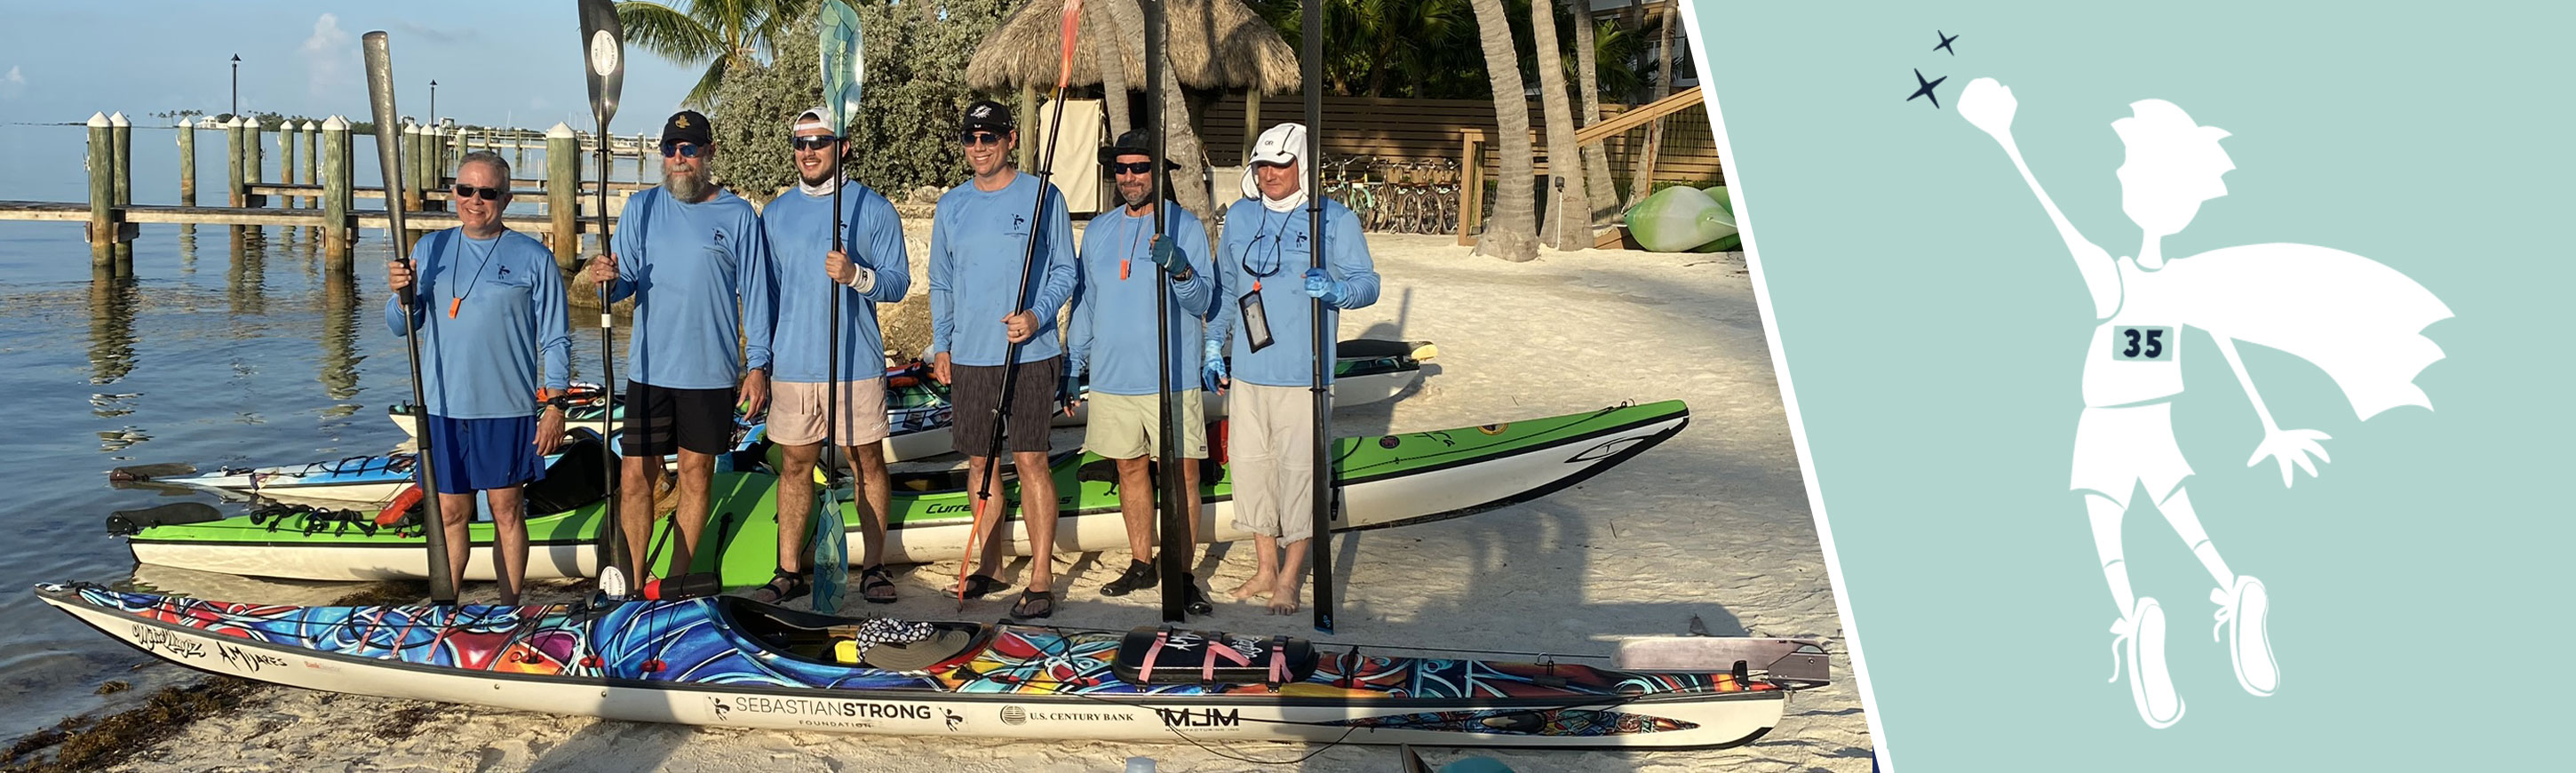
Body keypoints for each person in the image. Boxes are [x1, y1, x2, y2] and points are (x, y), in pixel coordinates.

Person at [1960, 77, 2446, 728]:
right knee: (2183, 517)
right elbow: (2229, 342)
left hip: (2107, 421)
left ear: (2135, 184)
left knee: (2108, 526)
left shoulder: (2114, 277)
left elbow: (2061, 224)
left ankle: (2138, 621)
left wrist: (2006, 139)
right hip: (2159, 417)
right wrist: (2270, 425)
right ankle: (2234, 585)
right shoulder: (2187, 284)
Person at [583, 109, 773, 592]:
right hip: (649, 371)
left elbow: (756, 295)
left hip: (710, 374)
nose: (679, 159)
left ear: (708, 153)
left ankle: (677, 580)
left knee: (695, 475)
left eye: (689, 149)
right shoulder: (641, 208)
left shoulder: (738, 215)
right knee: (635, 478)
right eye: (671, 149)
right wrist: (603, 279)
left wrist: (758, 366)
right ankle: (630, 577)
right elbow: (621, 286)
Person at [1203, 122, 1380, 615]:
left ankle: (1290, 576)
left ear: (1302, 163)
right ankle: (1263, 568)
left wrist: (1339, 291)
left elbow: (1369, 283)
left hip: (1305, 375)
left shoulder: (1334, 219)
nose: (1268, 174)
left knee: (1300, 473)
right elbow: (1225, 287)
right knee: (1252, 469)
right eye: (1261, 166)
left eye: (1279, 164)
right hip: (1249, 373)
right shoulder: (1239, 217)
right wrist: (1214, 344)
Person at [384, 150, 570, 605]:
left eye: (486, 192)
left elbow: (557, 337)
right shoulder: (431, 249)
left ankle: (509, 607)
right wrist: (400, 294)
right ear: (453, 194)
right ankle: (444, 608)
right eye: (466, 189)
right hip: (444, 407)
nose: (475, 200)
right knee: (450, 512)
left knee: (506, 510)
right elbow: (400, 324)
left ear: (504, 199)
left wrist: (555, 404)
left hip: (505, 409)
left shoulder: (532, 256)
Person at [926, 100, 1079, 619]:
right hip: (971, 356)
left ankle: (1040, 576)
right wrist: (940, 343)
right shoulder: (951, 205)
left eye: (989, 137)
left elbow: (1065, 270)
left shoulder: (1043, 196)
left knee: (1032, 458)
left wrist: (1037, 315)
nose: (979, 147)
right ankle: (989, 563)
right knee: (979, 462)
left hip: (1030, 352)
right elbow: (942, 282)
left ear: (1010, 139)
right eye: (971, 138)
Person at [753, 107, 910, 605]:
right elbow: (766, 298)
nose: (808, 152)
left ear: (841, 147)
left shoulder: (873, 208)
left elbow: (897, 283)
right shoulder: (775, 214)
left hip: (855, 363)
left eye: (819, 142)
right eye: (800, 144)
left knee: (866, 462)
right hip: (794, 366)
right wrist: (760, 362)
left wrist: (856, 275)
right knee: (795, 464)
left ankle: (875, 567)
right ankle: (787, 570)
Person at [1063, 129, 1217, 616]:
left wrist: (1180, 267)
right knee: (1129, 468)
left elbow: (1203, 302)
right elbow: (1085, 303)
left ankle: (1184, 573)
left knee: (1181, 475)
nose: (1130, 177)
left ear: (1158, 173)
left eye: (1140, 168)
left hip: (1171, 377)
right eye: (1122, 168)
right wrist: (1074, 362)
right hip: (1111, 378)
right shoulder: (1100, 231)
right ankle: (1140, 560)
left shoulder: (1185, 225)